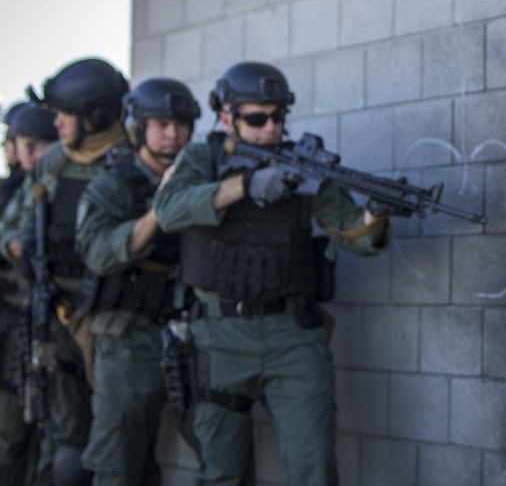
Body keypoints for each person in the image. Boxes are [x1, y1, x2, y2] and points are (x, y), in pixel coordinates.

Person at [153, 61, 401, 486]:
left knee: (314, 466)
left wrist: (374, 216)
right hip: (219, 335)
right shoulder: (203, 156)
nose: (270, 127)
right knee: (222, 471)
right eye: (256, 118)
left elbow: (352, 230)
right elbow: (168, 210)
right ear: (226, 116)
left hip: (292, 333)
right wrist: (244, 186)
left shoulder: (302, 167)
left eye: (277, 116)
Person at [7, 57, 131, 486]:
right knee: (65, 441)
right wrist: (24, 250)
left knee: (119, 442)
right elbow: (24, 219)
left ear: (96, 115)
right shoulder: (54, 161)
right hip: (55, 312)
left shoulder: (129, 161)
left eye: (64, 115)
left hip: (113, 319)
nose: (56, 125)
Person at [73, 77, 203, 484]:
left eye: (181, 124)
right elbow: (96, 252)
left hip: (194, 331)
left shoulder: (201, 176)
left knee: (219, 449)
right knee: (118, 462)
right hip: (129, 336)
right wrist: (156, 215)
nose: (173, 134)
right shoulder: (116, 183)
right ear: (139, 127)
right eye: (161, 124)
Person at [1, 102, 58, 486]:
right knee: (9, 437)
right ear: (11, 148)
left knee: (55, 441)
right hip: (10, 329)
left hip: (53, 324)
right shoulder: (7, 195)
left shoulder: (61, 186)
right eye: (29, 146)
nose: (37, 156)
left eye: (45, 146)